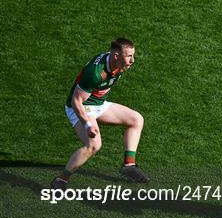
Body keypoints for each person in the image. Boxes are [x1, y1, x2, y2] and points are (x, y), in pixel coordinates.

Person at [50, 37, 149, 188]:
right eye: (129, 56)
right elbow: (77, 101)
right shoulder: (96, 73)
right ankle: (61, 180)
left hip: (98, 104)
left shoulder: (118, 63)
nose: (132, 60)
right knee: (94, 145)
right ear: (116, 56)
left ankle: (129, 166)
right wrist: (87, 124)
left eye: (133, 55)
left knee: (136, 119)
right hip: (82, 107)